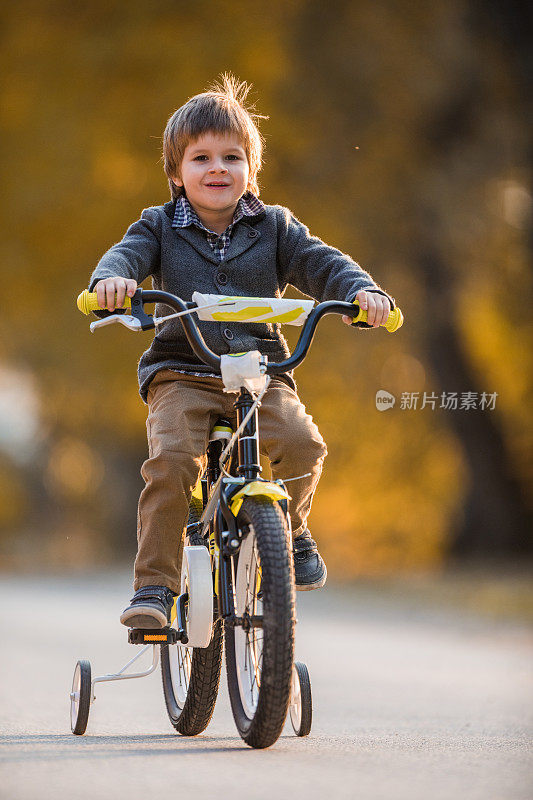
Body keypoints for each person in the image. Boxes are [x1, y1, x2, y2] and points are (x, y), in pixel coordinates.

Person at [88, 74, 395, 629]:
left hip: (260, 374)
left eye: (232, 157)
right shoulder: (158, 226)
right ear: (176, 173)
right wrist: (112, 284)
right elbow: (124, 257)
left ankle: (289, 531)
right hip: (183, 372)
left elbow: (323, 262)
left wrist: (361, 293)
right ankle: (156, 588)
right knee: (172, 463)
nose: (217, 169)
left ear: (251, 170)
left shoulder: (276, 227)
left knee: (303, 445)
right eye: (200, 158)